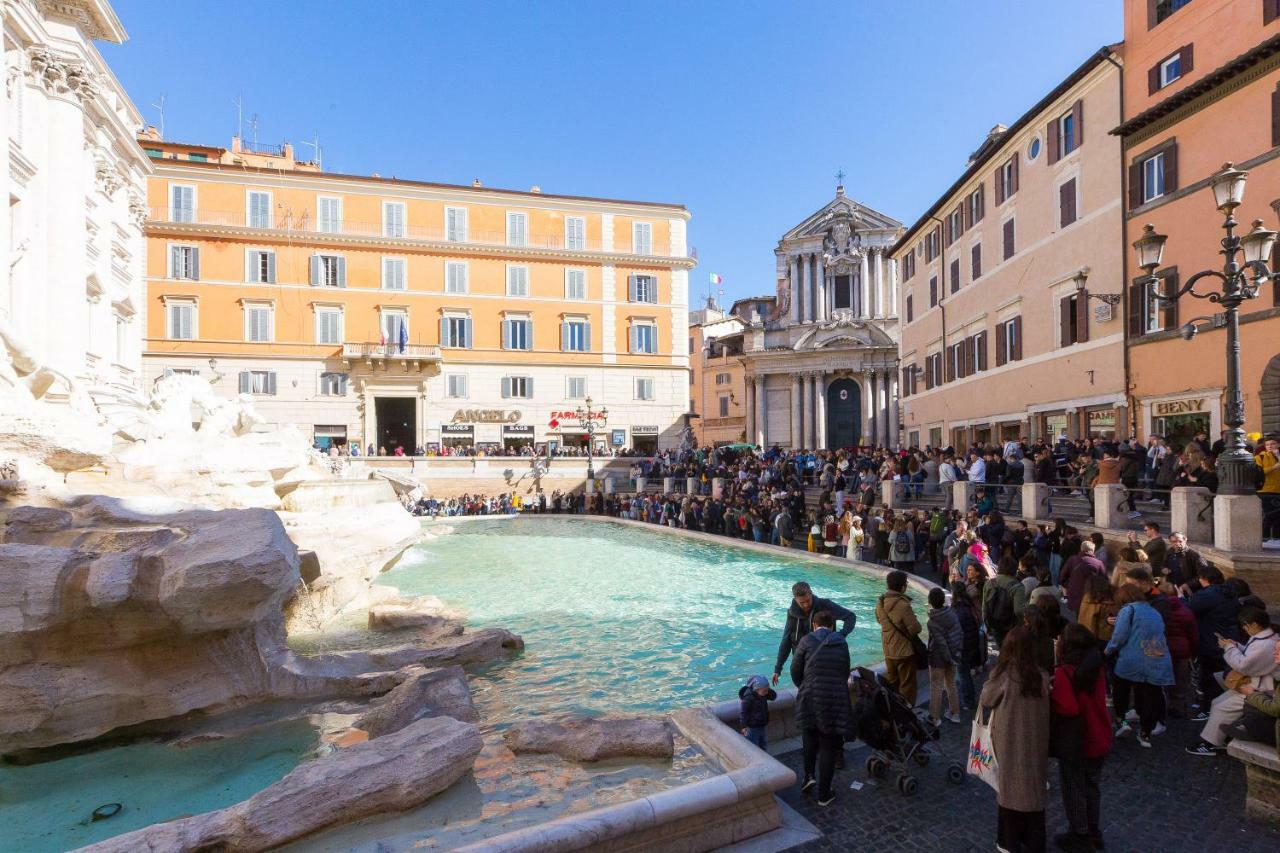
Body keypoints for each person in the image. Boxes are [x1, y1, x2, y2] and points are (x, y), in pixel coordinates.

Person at [980, 626, 1051, 853]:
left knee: (1010, 791)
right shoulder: (1041, 675)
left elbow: (986, 698)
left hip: (1010, 741)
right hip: (1036, 741)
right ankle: (1034, 840)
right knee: (1032, 790)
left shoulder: (1005, 676)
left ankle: (1008, 842)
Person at [1050, 623, 1113, 852]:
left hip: (1078, 740)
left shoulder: (1065, 672)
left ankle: (1080, 833)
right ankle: (1093, 830)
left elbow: (1068, 707)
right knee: (1092, 786)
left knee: (1073, 787)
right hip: (1100, 733)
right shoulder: (1096, 666)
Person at [1186, 606, 1279, 756]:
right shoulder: (1268, 637)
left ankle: (1212, 743)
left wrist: (1229, 647)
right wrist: (1236, 646)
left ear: (1254, 625)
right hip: (1258, 684)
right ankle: (1219, 737)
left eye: (1245, 625)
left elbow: (1244, 665)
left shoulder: (1266, 643)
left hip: (1261, 690)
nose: (1244, 628)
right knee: (1218, 703)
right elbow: (1253, 656)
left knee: (1222, 707)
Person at [791, 609, 851, 807]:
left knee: (809, 737)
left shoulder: (806, 641)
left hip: (810, 697)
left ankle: (808, 776)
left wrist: (805, 686)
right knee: (828, 745)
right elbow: (844, 671)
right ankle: (824, 795)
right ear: (833, 625)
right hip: (834, 700)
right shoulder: (841, 642)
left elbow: (795, 671)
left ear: (814, 626)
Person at [1106, 584, 1173, 749]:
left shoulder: (1128, 610)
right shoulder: (1154, 611)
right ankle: (1145, 734)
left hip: (1131, 657)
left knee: (1121, 692)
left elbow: (1119, 637)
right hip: (1154, 657)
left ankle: (1122, 722)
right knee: (1148, 697)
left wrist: (1107, 651)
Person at [772, 581, 856, 686]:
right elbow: (786, 641)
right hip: (803, 663)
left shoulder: (825, 605)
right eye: (801, 603)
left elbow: (850, 617)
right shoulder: (792, 613)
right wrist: (778, 668)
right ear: (795, 599)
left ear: (811, 593)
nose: (806, 605)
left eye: (808, 600)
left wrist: (840, 635)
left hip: (825, 660)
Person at [1187, 565, 1242, 714]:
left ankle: (1209, 708)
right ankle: (1215, 704)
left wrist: (1181, 598)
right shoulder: (1230, 592)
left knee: (1210, 675)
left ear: (1204, 579)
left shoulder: (1206, 595)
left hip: (1211, 639)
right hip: (1229, 636)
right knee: (1221, 673)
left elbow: (1189, 609)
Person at [875, 570, 923, 706]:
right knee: (907, 685)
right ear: (902, 587)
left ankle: (893, 712)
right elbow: (915, 629)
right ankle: (906, 713)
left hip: (888, 649)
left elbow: (879, 620)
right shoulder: (903, 605)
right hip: (904, 651)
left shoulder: (880, 603)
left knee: (891, 683)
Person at [926, 587, 963, 725]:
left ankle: (934, 717)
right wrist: (955, 655)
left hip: (938, 658)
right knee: (951, 684)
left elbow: (940, 643)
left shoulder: (932, 621)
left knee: (936, 687)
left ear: (930, 602)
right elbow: (960, 633)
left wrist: (948, 658)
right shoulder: (952, 614)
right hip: (953, 655)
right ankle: (955, 713)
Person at [982, 554, 1028, 651]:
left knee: (1002, 649)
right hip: (1011, 626)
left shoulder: (990, 583)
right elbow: (1019, 610)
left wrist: (987, 623)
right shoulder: (1017, 586)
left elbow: (984, 606)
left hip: (994, 623)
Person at [949, 580, 983, 710]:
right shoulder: (968, 604)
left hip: (963, 645)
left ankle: (968, 702)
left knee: (963, 674)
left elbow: (956, 629)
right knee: (965, 672)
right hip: (971, 642)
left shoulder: (959, 609)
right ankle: (970, 698)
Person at [1058, 540, 1106, 623]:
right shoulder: (1099, 563)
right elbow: (1104, 580)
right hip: (1091, 595)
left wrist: (1068, 585)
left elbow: (1062, 576)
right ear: (1092, 551)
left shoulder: (1072, 559)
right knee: (1090, 617)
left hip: (1075, 593)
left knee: (1078, 615)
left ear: (1081, 549)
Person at [738, 675, 777, 750]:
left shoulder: (763, 694)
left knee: (763, 742)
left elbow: (773, 697)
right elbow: (744, 713)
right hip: (752, 727)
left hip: (762, 724)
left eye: (767, 690)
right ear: (756, 689)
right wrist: (743, 726)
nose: (766, 692)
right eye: (764, 691)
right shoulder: (748, 699)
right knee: (754, 745)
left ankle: (764, 755)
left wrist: (768, 689)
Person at [1257, 435, 1280, 548]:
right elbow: (1259, 472)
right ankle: (1265, 539)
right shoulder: (1260, 457)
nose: (1270, 446)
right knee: (1269, 515)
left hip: (1278, 490)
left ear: (1278, 445)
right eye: (1267, 445)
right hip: (1266, 490)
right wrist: (1274, 467)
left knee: (1278, 516)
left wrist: (1278, 456)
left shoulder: (1278, 456)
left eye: (1273, 444)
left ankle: (1277, 538)